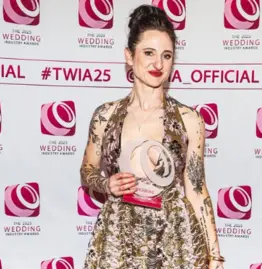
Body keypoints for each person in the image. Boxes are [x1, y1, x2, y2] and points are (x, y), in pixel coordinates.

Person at [79, 4, 225, 269]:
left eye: (167, 56)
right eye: (149, 53)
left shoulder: (189, 120)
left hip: (176, 241)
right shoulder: (105, 116)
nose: (158, 64)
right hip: (118, 239)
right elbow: (87, 169)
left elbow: (196, 190)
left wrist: (214, 256)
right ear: (128, 55)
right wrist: (105, 184)